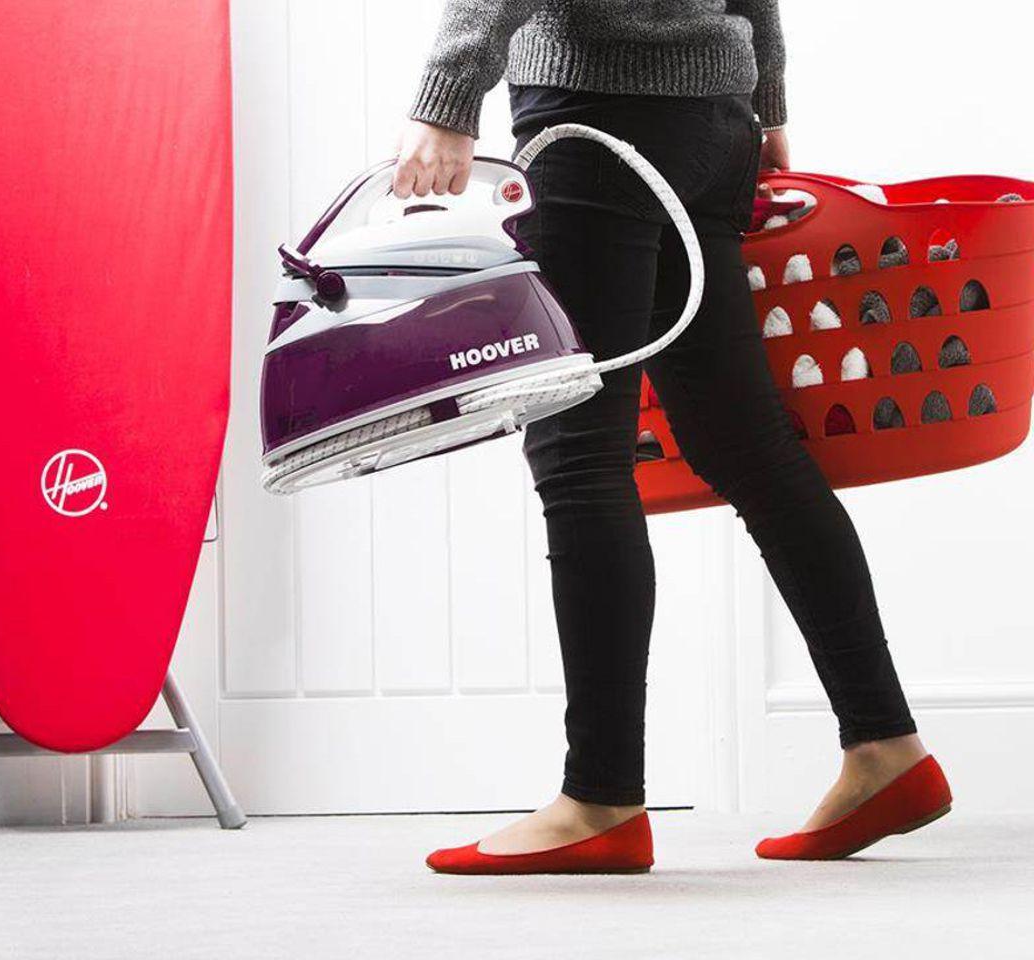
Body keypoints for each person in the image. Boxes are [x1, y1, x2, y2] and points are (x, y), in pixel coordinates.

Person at [395, 1, 952, 874]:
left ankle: (599, 800)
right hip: (712, 124)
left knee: (580, 454)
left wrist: (447, 95)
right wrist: (766, 102)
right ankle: (885, 746)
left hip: (595, 114)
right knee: (747, 446)